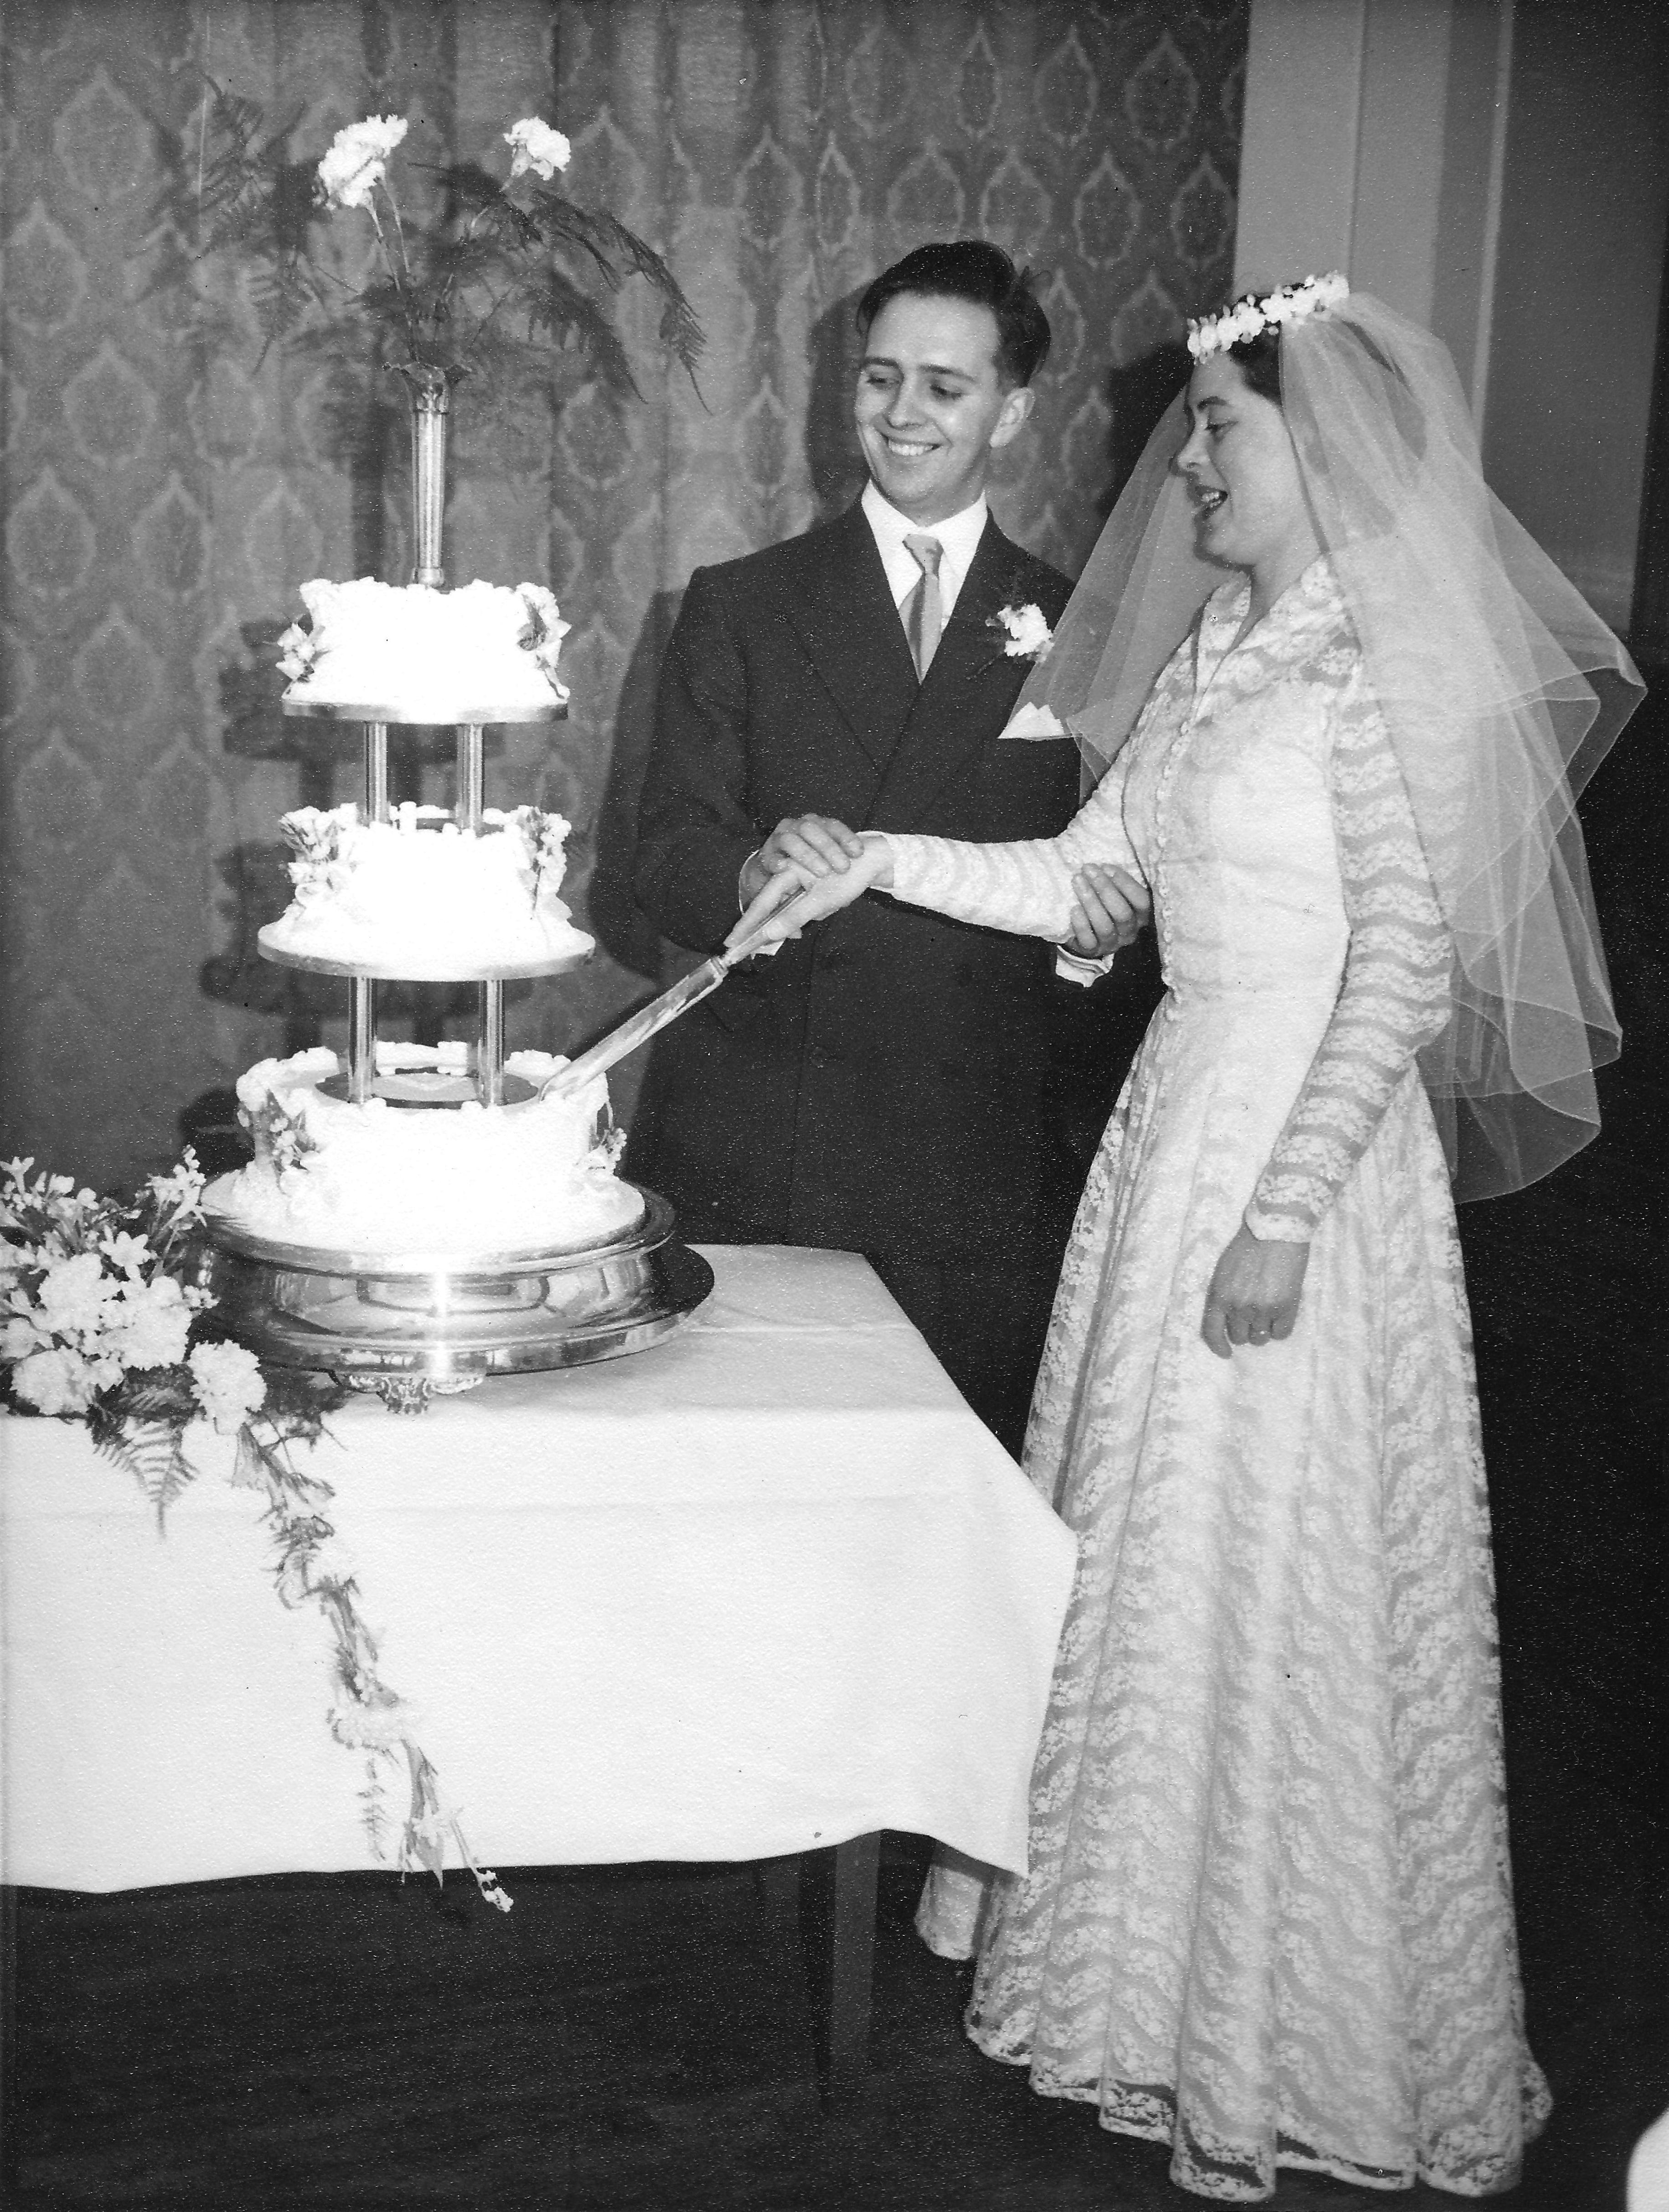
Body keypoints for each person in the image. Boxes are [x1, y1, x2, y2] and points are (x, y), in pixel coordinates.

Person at [733, 275, 1641, 2199]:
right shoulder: (1226, 644)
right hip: (1174, 1130)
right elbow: (1089, 880)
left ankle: (1272, 2012)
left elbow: (1403, 970)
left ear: (1326, 443)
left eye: (1220, 426)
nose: (1190, 463)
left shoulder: (1383, 665)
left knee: (1273, 1561)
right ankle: (1126, 1969)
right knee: (1139, 1540)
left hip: (1301, 1168)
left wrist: (1287, 1209)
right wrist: (867, 857)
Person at [624, 241, 1149, 1456]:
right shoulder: (741, 602)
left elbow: (1113, 879)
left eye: (945, 387)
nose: (903, 412)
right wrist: (752, 870)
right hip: (764, 1131)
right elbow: (660, 857)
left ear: (1010, 412)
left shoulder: (1087, 630)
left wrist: (1094, 943)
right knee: (741, 1484)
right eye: (880, 378)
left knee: (931, 1493)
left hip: (968, 1149)